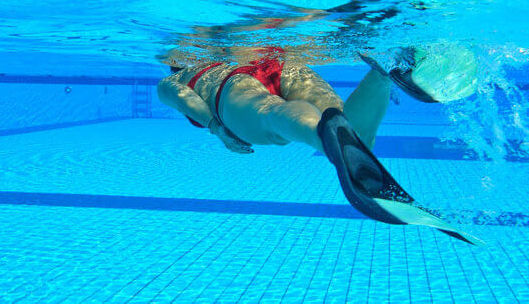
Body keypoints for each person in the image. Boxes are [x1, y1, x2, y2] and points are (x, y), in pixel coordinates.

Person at [157, 47, 482, 245]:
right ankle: (384, 71)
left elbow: (183, 97)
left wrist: (217, 128)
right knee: (350, 127)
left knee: (272, 115)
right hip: (276, 62)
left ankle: (319, 133)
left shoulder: (176, 76)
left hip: (224, 85)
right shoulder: (234, 49)